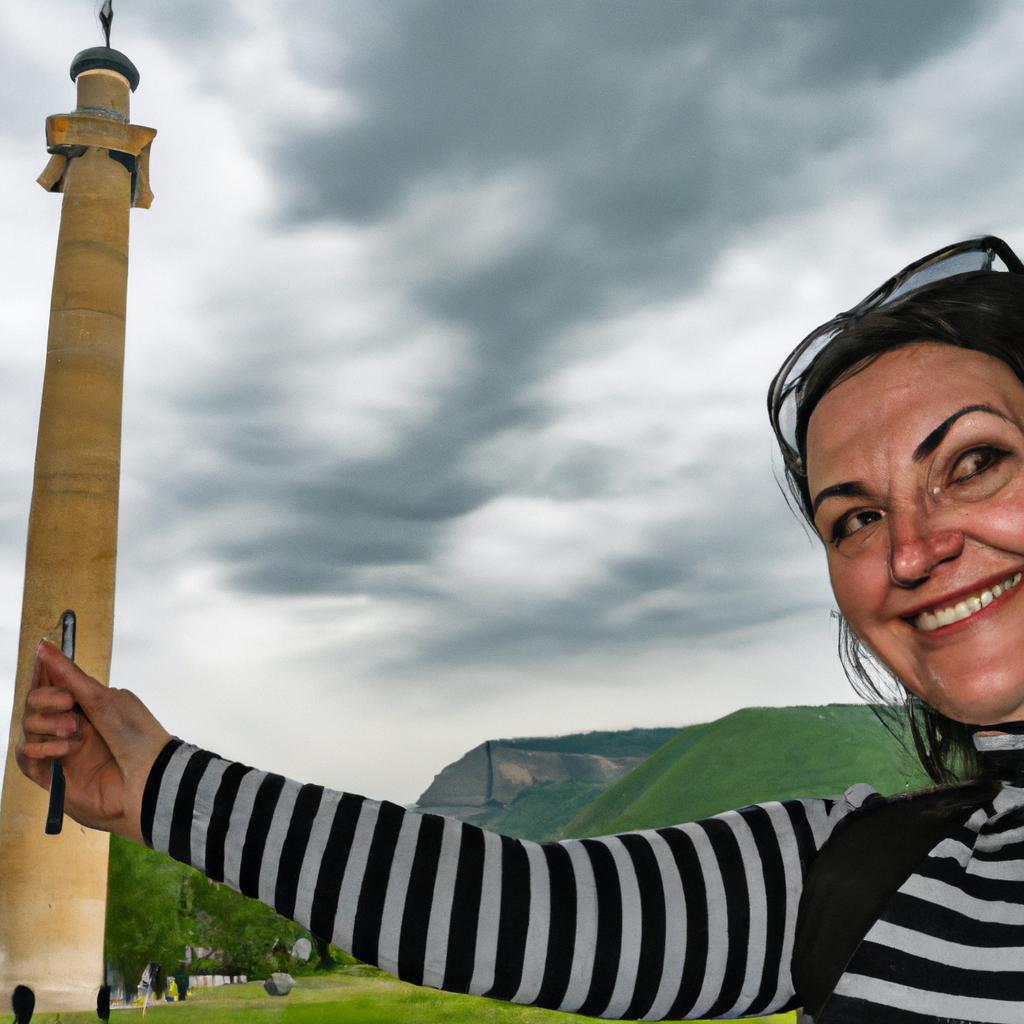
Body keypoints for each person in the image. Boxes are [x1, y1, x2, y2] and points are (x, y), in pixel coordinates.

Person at [18, 236, 1024, 1024]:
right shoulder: (866, 876)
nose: (910, 550)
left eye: (973, 462)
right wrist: (161, 786)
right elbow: (511, 904)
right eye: (853, 516)